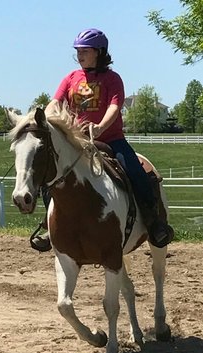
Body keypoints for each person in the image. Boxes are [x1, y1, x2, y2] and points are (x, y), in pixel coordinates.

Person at [31, 28, 174, 252]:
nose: (79, 55)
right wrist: (44, 119)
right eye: (77, 51)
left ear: (99, 52)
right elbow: (55, 103)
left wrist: (99, 128)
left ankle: (153, 221)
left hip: (111, 140)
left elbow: (115, 107)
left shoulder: (112, 79)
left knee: (136, 173)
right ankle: (51, 227)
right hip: (78, 142)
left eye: (84, 51)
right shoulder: (70, 78)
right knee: (52, 177)